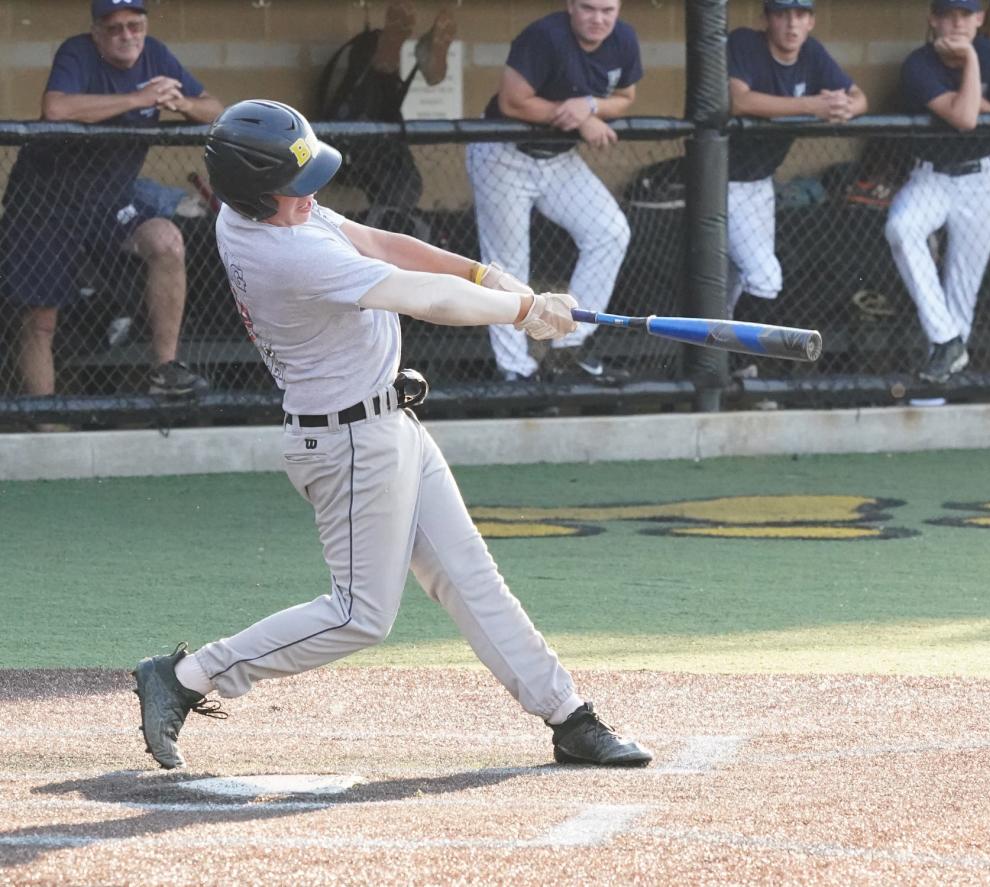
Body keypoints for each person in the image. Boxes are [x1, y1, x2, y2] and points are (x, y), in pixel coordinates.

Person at [132, 99, 653, 771]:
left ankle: (568, 715)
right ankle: (186, 676)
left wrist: (483, 273)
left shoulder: (260, 208)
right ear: (259, 194)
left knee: (471, 576)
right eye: (296, 187)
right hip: (349, 445)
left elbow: (378, 241)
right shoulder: (285, 253)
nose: (310, 194)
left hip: (387, 422)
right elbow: (423, 298)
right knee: (360, 615)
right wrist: (524, 310)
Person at [0, 0, 223, 403]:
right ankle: (47, 423)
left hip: (111, 200)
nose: (127, 36)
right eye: (115, 28)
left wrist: (181, 104)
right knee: (41, 320)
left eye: (134, 25)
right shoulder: (78, 51)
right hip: (46, 203)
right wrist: (140, 99)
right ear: (97, 32)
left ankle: (164, 371)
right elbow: (56, 107)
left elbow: (216, 110)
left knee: (166, 240)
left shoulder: (154, 53)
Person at [465, 0, 642, 383]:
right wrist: (580, 119)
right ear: (570, 6)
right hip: (503, 154)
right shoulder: (544, 36)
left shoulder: (623, 39)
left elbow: (627, 96)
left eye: (607, 10)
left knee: (610, 232)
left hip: (557, 161)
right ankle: (515, 370)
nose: (598, 18)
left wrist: (590, 106)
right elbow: (513, 101)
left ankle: (569, 348)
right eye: (589, 8)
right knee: (507, 267)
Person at [883, 0, 990, 383]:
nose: (957, 23)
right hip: (931, 176)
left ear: (980, 18)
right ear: (933, 19)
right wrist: (974, 100)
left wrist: (970, 64)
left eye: (966, 14)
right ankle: (946, 341)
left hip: (983, 178)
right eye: (948, 14)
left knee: (962, 291)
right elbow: (965, 118)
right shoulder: (918, 63)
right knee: (901, 227)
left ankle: (938, 395)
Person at [726, 0, 867, 323]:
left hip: (760, 183)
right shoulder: (746, 42)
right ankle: (737, 363)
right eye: (781, 14)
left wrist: (846, 108)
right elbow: (739, 100)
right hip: (721, 182)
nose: (792, 24)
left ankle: (732, 365)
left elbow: (860, 97)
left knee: (738, 281)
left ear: (811, 21)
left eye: (800, 15)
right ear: (766, 19)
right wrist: (810, 105)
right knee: (764, 276)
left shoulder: (811, 52)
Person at [318, 1, 456, 224]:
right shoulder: (357, 58)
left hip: (363, 141)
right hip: (347, 140)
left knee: (396, 186)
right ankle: (392, 44)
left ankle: (393, 45)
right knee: (397, 185)